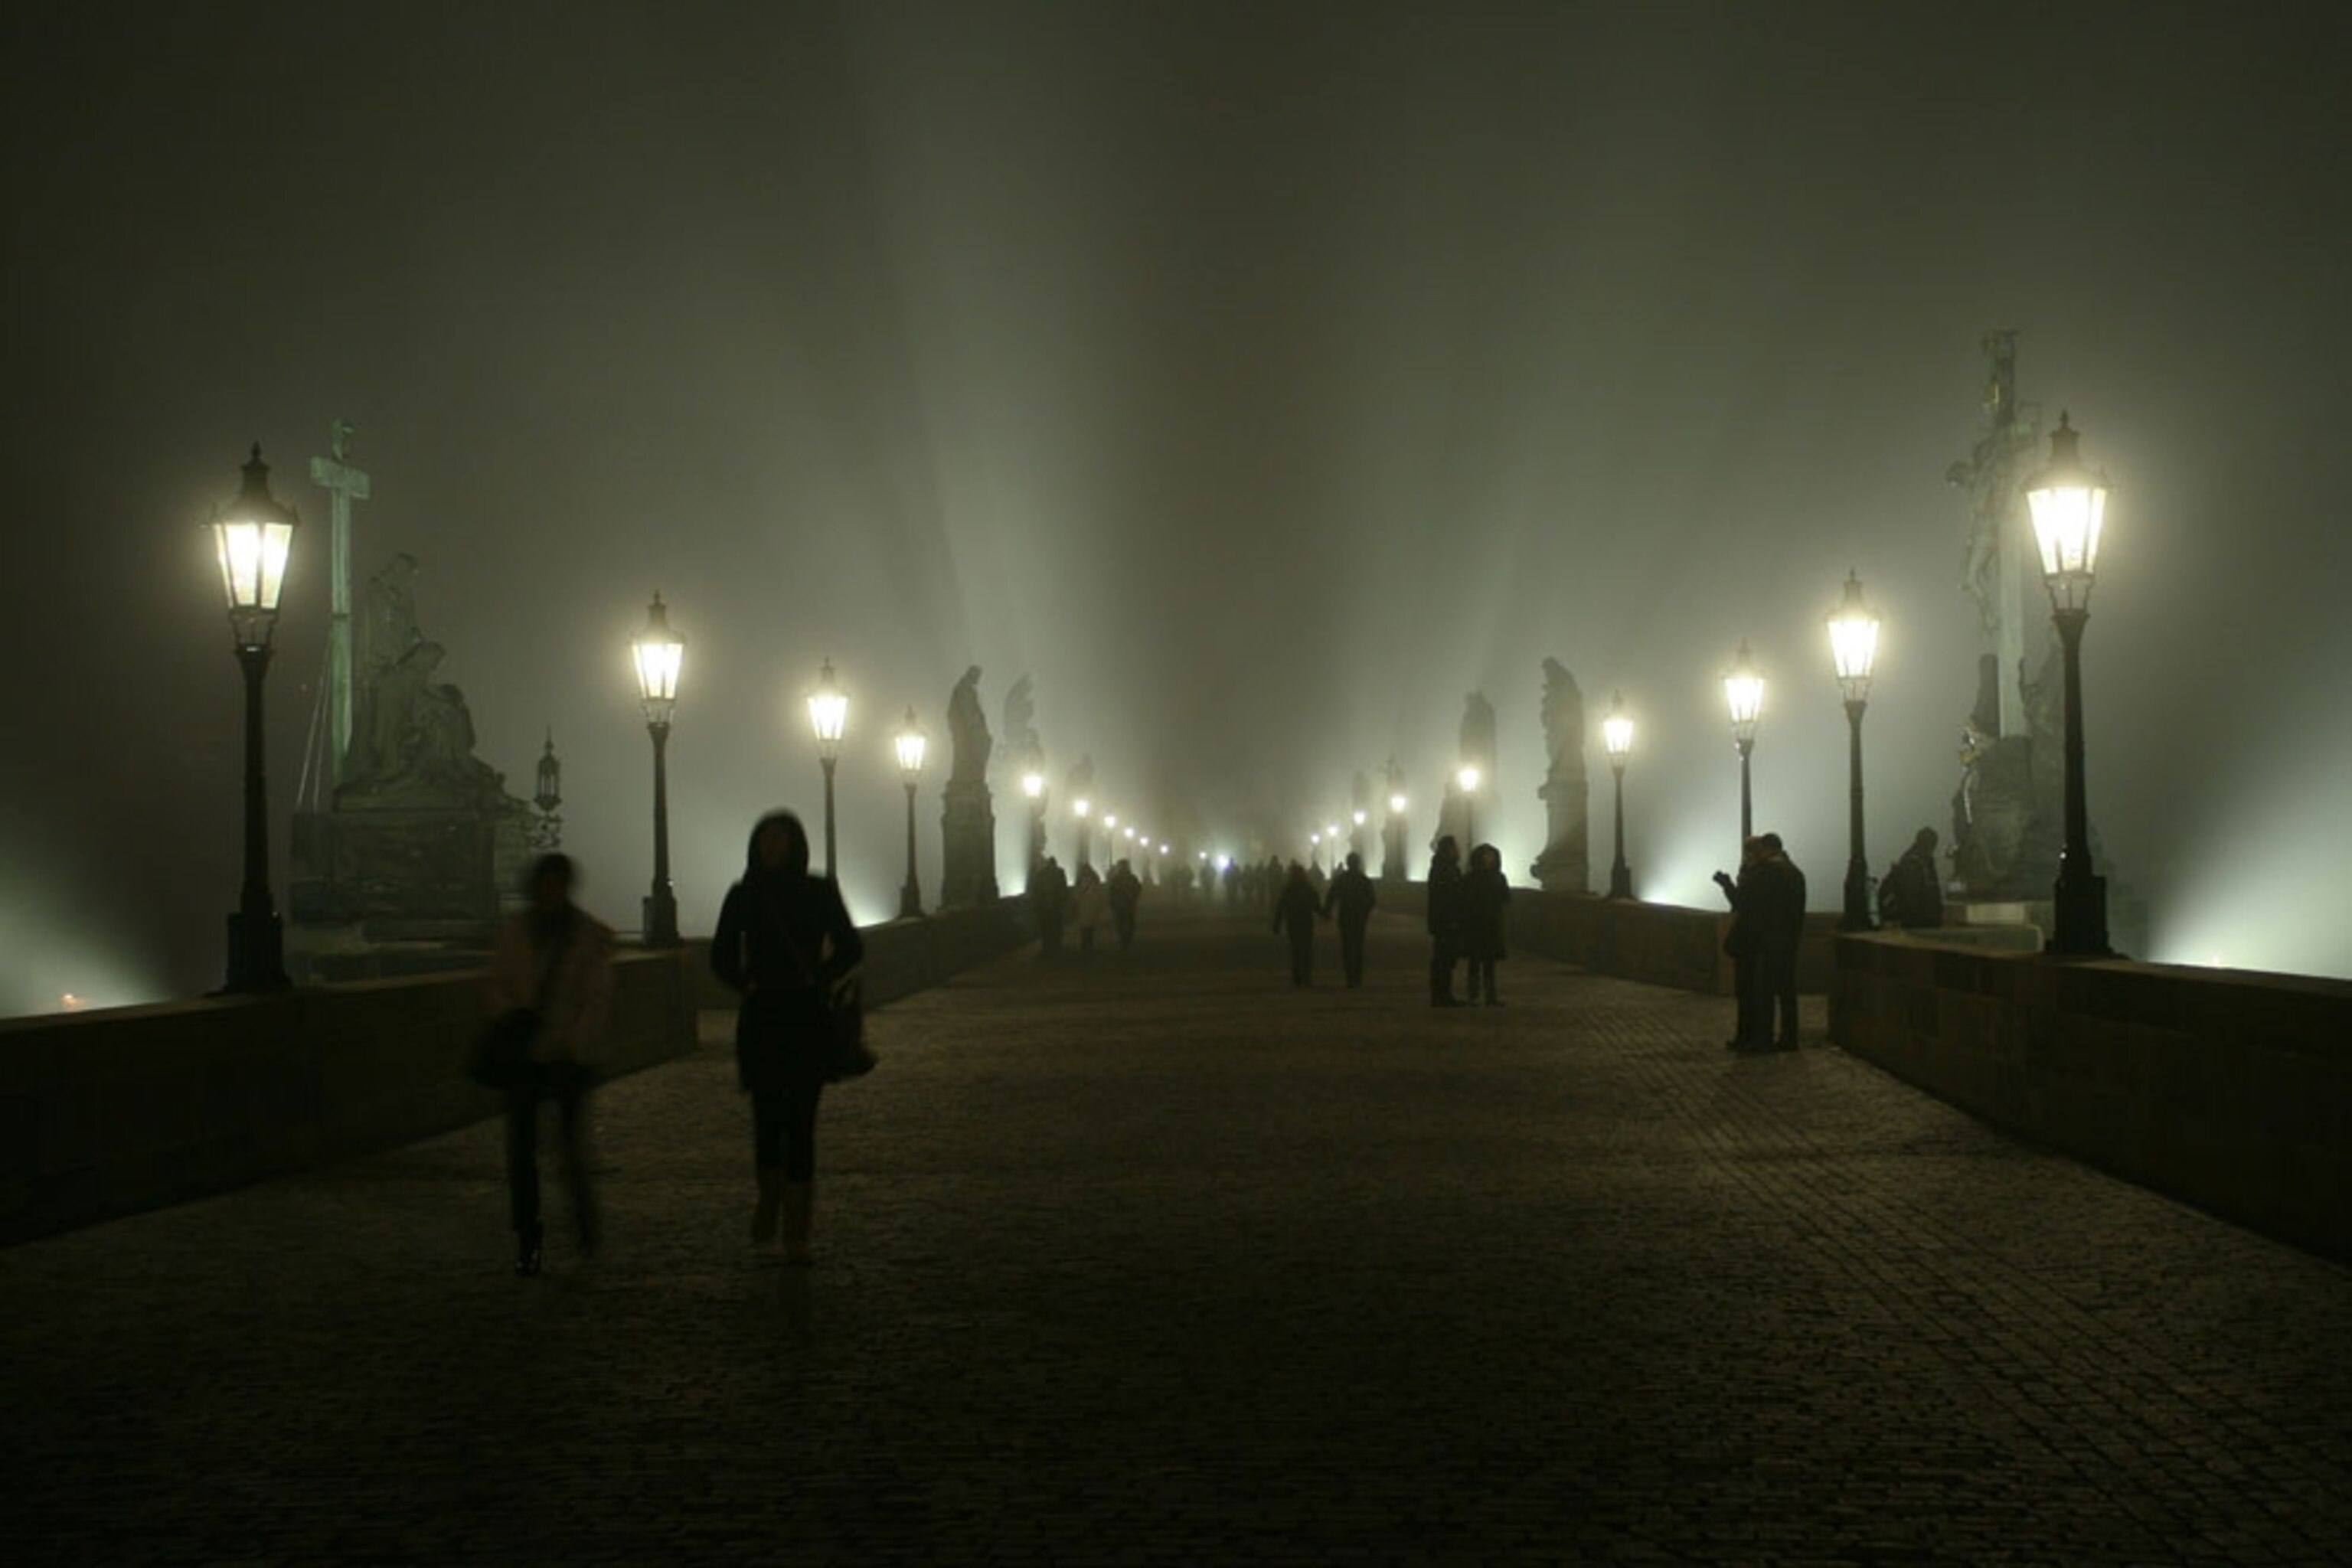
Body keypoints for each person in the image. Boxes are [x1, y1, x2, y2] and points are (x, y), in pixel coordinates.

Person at [710, 811, 865, 1265]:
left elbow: (851, 946)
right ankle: (770, 1196)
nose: (772, 847)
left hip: (805, 1017)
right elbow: (720, 955)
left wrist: (819, 977)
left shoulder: (819, 891)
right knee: (765, 1120)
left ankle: (797, 1228)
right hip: (763, 1017)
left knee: (800, 1124)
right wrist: (745, 983)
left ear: (795, 845)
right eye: (765, 839)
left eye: (779, 840)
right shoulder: (744, 895)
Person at [484, 853, 613, 1276]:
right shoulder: (519, 931)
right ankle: (530, 1236)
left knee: (568, 1148)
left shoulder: (587, 936)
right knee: (522, 1152)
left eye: (556, 883)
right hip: (526, 1052)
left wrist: (573, 1043)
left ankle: (583, 1225)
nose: (550, 891)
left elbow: (596, 1000)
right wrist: (513, 1015)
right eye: (546, 883)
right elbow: (497, 984)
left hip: (566, 1057)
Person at [1713, 837, 1774, 1051]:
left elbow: (1741, 902)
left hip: (1753, 942)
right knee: (1747, 993)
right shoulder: (1759, 874)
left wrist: (1728, 885)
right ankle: (1746, 1036)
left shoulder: (1759, 875)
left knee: (1751, 993)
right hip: (1752, 941)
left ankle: (1751, 1037)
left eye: (1750, 851)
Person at [1758, 831, 1808, 1047]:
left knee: (1767, 990)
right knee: (1788, 990)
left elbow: (1764, 908)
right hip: (1790, 938)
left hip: (1772, 939)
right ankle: (1790, 1036)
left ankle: (1766, 1036)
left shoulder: (1771, 873)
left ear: (1769, 849)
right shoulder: (1796, 873)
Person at [1459, 842, 1511, 1004]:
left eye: (1491, 856)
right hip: (1477, 924)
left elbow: (1506, 898)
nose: (1489, 859)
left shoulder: (1477, 878)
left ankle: (1489, 996)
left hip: (1490, 924)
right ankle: (1474, 995)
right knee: (1475, 961)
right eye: (1487, 856)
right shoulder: (1491, 878)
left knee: (1489, 963)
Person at [1321, 850, 1378, 988]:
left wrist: (1327, 912)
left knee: (1347, 946)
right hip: (1359, 917)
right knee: (1358, 946)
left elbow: (1331, 896)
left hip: (1346, 915)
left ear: (1348, 863)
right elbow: (1372, 900)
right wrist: (1365, 911)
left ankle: (1350, 977)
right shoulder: (1364, 880)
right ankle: (1357, 977)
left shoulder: (1342, 880)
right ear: (1358, 863)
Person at [1426, 836, 1466, 1007]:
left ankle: (1442, 994)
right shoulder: (1445, 870)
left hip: (1443, 920)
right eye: (1455, 847)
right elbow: (1446, 897)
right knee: (1444, 959)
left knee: (1445, 959)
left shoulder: (1442, 868)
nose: (1458, 850)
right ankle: (1441, 995)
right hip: (1446, 920)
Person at [1879, 827, 1944, 929]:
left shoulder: (1915, 861)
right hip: (1918, 921)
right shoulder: (1915, 864)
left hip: (1917, 920)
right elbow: (1913, 896)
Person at [1272, 861, 1322, 986]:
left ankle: (1297, 978)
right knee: (1306, 950)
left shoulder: (1288, 889)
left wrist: (1277, 924)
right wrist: (1325, 914)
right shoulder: (1308, 888)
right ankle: (1307, 977)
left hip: (1293, 922)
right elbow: (1316, 905)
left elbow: (1281, 907)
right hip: (1306, 922)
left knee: (1296, 950)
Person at [1033, 854, 1071, 956]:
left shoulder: (1041, 874)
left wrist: (1038, 903)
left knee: (1045, 927)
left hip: (1043, 906)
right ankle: (1056, 946)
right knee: (1056, 926)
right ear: (1055, 864)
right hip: (1056, 905)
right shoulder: (1060, 872)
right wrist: (1065, 902)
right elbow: (1063, 889)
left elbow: (1036, 890)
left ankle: (1046, 947)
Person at [1073, 864, 1109, 956]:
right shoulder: (1095, 880)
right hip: (1092, 905)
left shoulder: (1080, 880)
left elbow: (1076, 894)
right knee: (1090, 927)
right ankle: (1089, 945)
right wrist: (1099, 905)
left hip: (1083, 905)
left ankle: (1084, 945)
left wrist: (1077, 901)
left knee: (1084, 927)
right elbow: (1099, 893)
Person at [1107, 858, 1143, 950]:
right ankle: (1127, 939)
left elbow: (1111, 892)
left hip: (1121, 904)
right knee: (1128, 922)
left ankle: (1124, 940)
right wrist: (1133, 897)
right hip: (1128, 904)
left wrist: (1112, 902)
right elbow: (1138, 889)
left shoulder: (1117, 879)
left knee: (1122, 923)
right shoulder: (1131, 878)